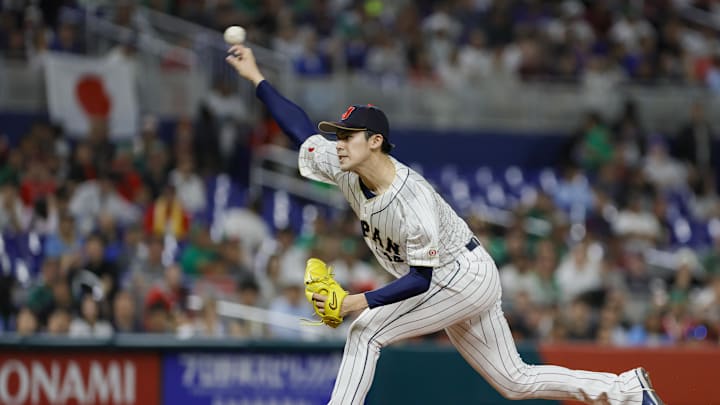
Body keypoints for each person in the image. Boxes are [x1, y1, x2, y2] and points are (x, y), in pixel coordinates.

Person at [226, 44, 664, 405]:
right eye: (339, 135)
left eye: (348, 136)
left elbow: (420, 280)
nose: (339, 144)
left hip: (459, 276)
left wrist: (356, 303)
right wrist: (257, 79)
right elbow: (301, 130)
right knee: (515, 381)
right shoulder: (344, 165)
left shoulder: (410, 197)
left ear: (375, 141)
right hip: (456, 277)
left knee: (365, 330)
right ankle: (626, 390)